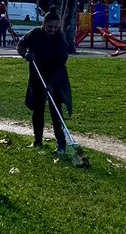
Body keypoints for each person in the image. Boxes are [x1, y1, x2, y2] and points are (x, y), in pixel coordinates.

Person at [18, 11, 73, 155]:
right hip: (37, 76)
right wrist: (25, 54)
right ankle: (37, 141)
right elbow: (20, 45)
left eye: (55, 27)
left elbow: (61, 64)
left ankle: (61, 144)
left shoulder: (60, 39)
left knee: (56, 112)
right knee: (38, 110)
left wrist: (52, 84)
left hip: (56, 78)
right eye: (50, 27)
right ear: (44, 24)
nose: (52, 30)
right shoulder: (35, 34)